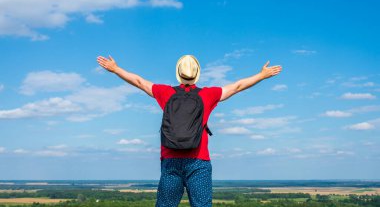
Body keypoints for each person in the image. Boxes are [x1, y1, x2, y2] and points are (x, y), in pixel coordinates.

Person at [97, 54, 282, 207]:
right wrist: (261, 75)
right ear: (197, 75)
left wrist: (116, 69)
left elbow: (139, 82)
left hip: (170, 161)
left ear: (178, 73)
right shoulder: (208, 95)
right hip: (199, 161)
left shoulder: (165, 92)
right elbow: (237, 86)